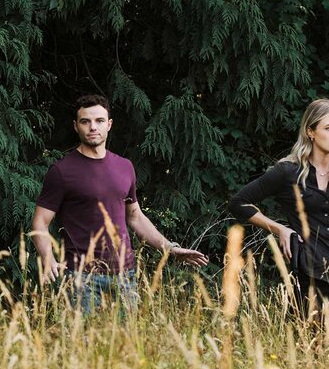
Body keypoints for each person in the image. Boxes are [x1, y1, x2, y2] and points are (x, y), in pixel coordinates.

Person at [31, 94, 208, 313]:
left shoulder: (124, 167)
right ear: (76, 126)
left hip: (126, 276)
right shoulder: (62, 171)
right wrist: (48, 258)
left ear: (109, 125)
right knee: (84, 346)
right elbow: (40, 222)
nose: (92, 127)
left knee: (126, 346)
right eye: (85, 121)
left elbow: (134, 216)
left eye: (99, 121)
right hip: (81, 278)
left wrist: (170, 248)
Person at [229, 99, 329, 325]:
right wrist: (280, 228)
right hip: (310, 270)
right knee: (309, 346)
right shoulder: (287, 171)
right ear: (311, 132)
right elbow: (238, 203)